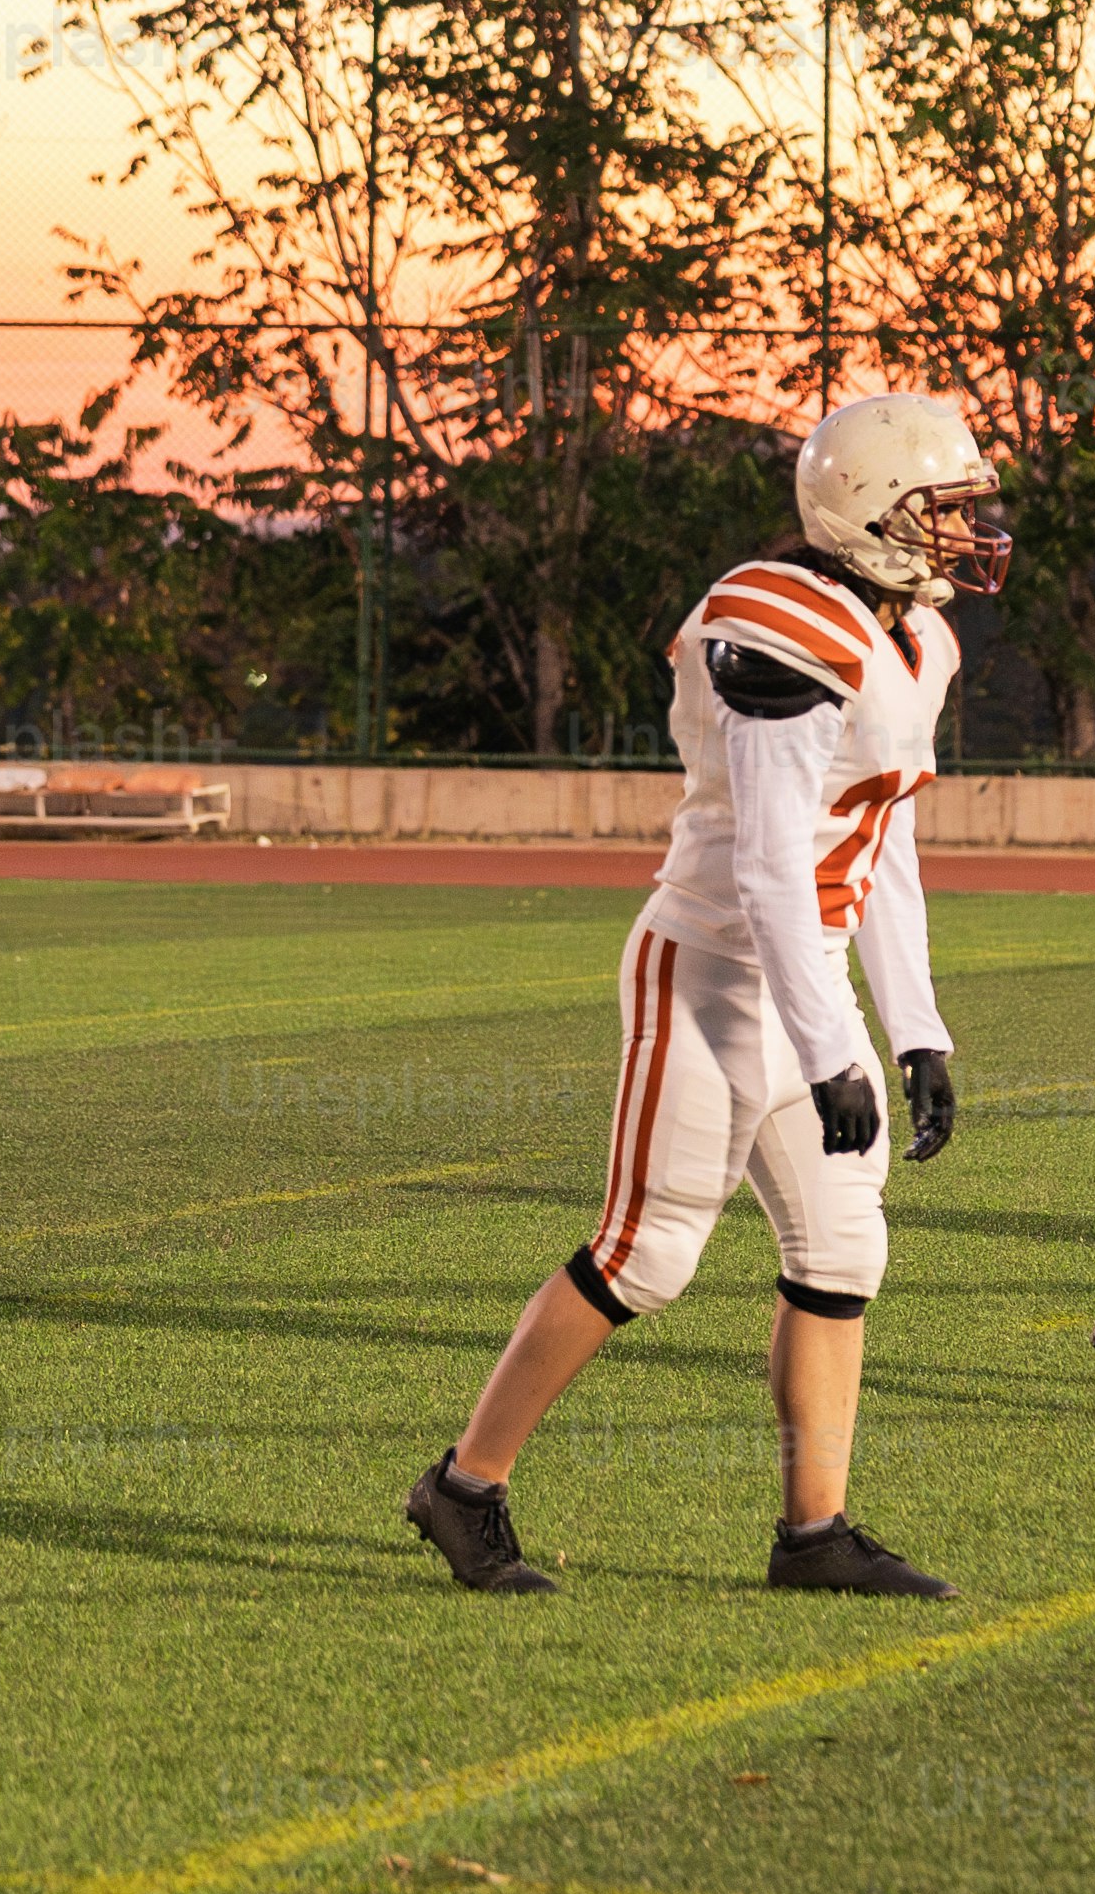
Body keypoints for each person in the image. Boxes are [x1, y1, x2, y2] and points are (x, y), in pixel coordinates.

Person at [403, 396, 1002, 1604]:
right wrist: (837, 1046)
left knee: (841, 1246)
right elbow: (772, 865)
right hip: (712, 968)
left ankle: (815, 1532)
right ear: (870, 516)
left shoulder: (917, 640)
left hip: (803, 974)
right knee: (650, 1251)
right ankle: (464, 1488)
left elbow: (879, 842)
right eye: (941, 510)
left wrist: (917, 1026)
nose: (965, 531)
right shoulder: (777, 624)